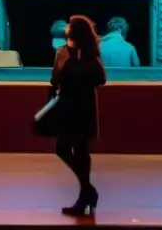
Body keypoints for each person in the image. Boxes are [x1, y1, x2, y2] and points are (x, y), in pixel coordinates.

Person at [50, 15, 106, 217]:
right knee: (62, 148)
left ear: (77, 31)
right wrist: (63, 63)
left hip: (83, 108)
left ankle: (85, 196)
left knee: (80, 150)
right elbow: (54, 80)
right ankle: (88, 190)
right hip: (67, 107)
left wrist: (74, 65)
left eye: (70, 26)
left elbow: (101, 79)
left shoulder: (89, 54)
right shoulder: (62, 52)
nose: (66, 28)